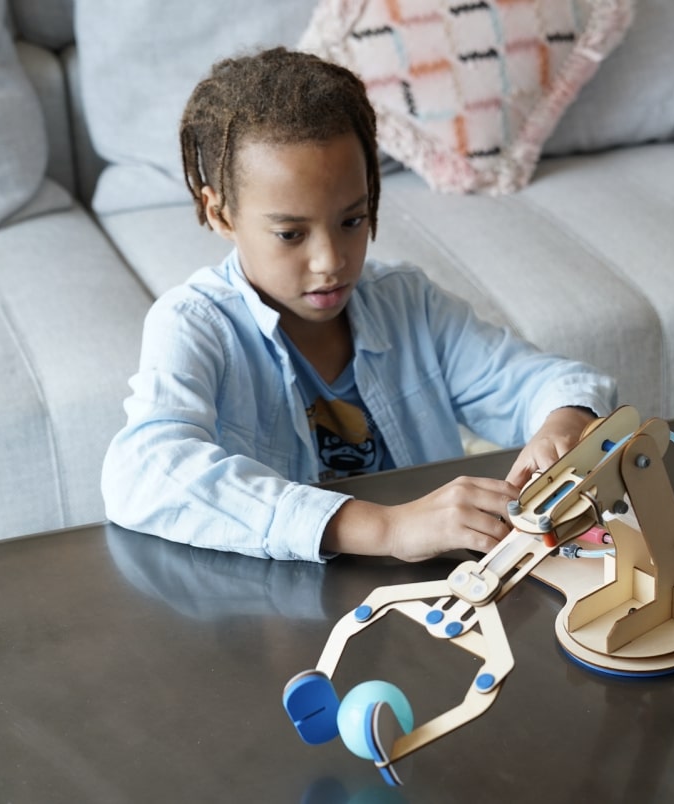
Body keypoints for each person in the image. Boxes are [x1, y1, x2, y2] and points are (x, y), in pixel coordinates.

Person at [101, 48, 617, 563]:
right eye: (290, 233)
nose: (330, 261)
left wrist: (562, 422)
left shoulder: (407, 302)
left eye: (352, 220)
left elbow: (542, 382)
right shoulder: (193, 324)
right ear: (220, 213)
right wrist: (386, 527)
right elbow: (144, 471)